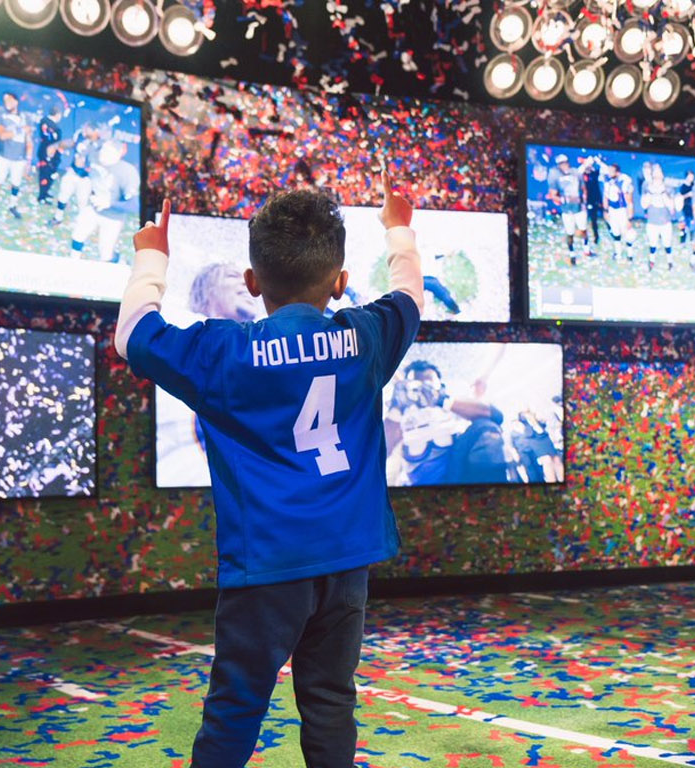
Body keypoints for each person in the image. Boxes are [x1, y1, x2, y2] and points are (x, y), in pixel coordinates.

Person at [114, 172, 422, 766]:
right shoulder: (366, 335)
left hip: (266, 568)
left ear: (254, 283)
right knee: (332, 700)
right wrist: (399, 229)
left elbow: (132, 334)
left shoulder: (222, 351)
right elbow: (410, 293)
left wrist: (152, 257)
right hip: (346, 558)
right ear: (341, 283)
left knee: (236, 707)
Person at [384, 359, 510, 486]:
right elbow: (380, 451)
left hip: (457, 475)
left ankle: (490, 496)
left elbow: (495, 416)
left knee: (485, 427)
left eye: (428, 382)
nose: (422, 387)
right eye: (417, 383)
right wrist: (396, 408)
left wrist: (440, 399)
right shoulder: (399, 417)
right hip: (423, 488)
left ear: (440, 384)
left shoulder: (454, 408)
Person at [70, 139, 139, 262]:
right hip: (93, 208)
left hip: (113, 217)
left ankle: (116, 261)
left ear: (118, 154)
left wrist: (109, 204)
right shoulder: (94, 158)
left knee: (105, 253)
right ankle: (73, 261)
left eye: (108, 151)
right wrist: (79, 156)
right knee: (78, 234)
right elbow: (80, 170)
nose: (102, 153)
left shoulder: (128, 172)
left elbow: (134, 205)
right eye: (103, 149)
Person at [0, 91, 33, 218]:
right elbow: (2, 135)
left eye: (9, 100)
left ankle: (12, 205)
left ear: (16, 101)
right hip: (3, 156)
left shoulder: (26, 117)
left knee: (16, 183)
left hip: (19, 158)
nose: (6, 103)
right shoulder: (0, 114)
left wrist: (29, 161)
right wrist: (19, 130)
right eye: (5, 100)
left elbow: (29, 140)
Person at [35, 105, 63, 204]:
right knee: (45, 174)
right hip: (47, 153)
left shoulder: (47, 122)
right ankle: (42, 196)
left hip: (50, 153)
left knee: (50, 174)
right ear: (58, 114)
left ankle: (45, 192)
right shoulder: (49, 124)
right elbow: (51, 139)